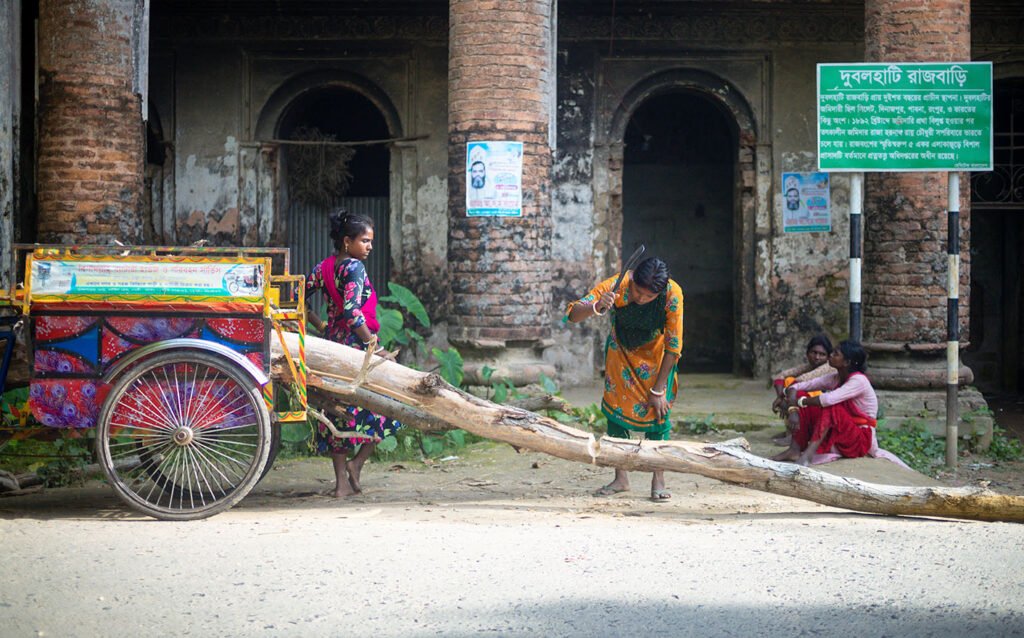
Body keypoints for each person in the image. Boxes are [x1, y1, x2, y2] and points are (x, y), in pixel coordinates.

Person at [565, 257, 684, 501]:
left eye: (649, 296)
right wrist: (597, 305)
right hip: (621, 357)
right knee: (616, 417)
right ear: (632, 281)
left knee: (659, 418)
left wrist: (659, 390)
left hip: (657, 361)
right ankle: (621, 478)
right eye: (638, 292)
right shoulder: (617, 285)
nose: (641, 299)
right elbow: (573, 314)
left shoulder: (673, 294)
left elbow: (674, 346)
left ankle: (658, 479)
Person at [305, 210, 401, 497]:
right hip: (355, 349)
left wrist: (319, 324)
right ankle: (357, 463)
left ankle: (341, 484)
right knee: (386, 405)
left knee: (336, 410)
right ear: (347, 241)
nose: (370, 246)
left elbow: (298, 295)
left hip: (332, 346)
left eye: (371, 241)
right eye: (365, 241)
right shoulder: (355, 268)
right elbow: (352, 313)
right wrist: (376, 347)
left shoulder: (324, 267)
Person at [772, 340, 908, 468]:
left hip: (859, 440)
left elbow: (827, 400)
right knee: (804, 396)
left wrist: (796, 403)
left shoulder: (859, 381)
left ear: (847, 362)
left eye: (835, 353)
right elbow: (796, 387)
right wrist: (792, 408)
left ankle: (808, 455)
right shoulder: (834, 377)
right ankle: (794, 450)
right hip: (841, 431)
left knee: (830, 406)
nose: (830, 355)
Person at [769, 334, 835, 445]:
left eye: (822, 354)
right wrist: (780, 396)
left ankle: (797, 435)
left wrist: (782, 399)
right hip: (815, 406)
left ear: (828, 357)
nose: (817, 357)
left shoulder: (828, 367)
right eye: (814, 353)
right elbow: (780, 376)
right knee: (789, 381)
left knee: (797, 392)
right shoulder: (808, 367)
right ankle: (791, 432)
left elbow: (801, 381)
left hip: (827, 409)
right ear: (807, 353)